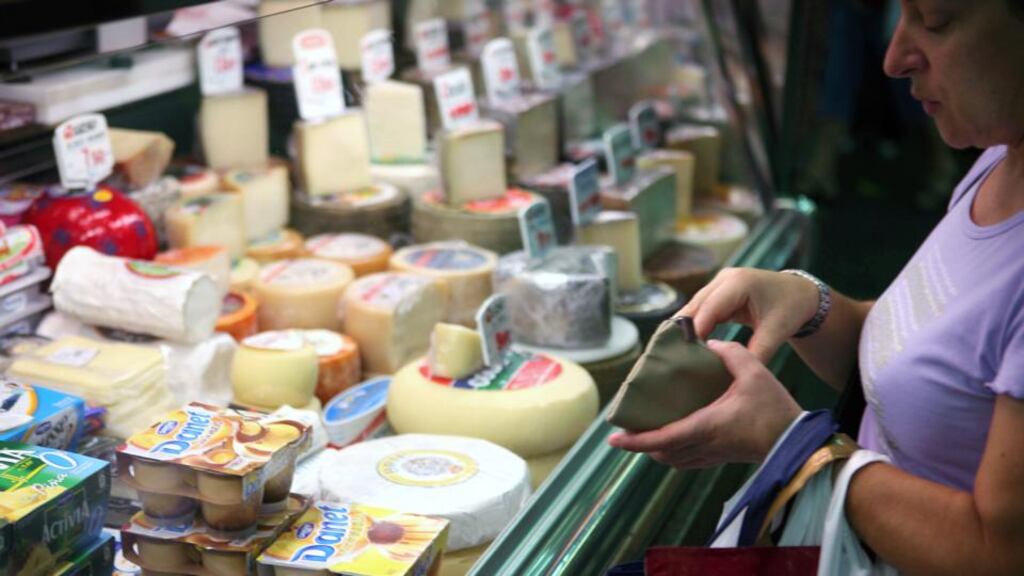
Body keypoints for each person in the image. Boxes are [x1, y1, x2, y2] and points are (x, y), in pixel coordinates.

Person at [609, 0, 1024, 573]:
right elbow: (935, 364)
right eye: (898, 16)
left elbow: (998, 554)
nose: (894, 59)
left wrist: (794, 445)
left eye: (935, 22)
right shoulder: (1000, 157)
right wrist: (808, 303)